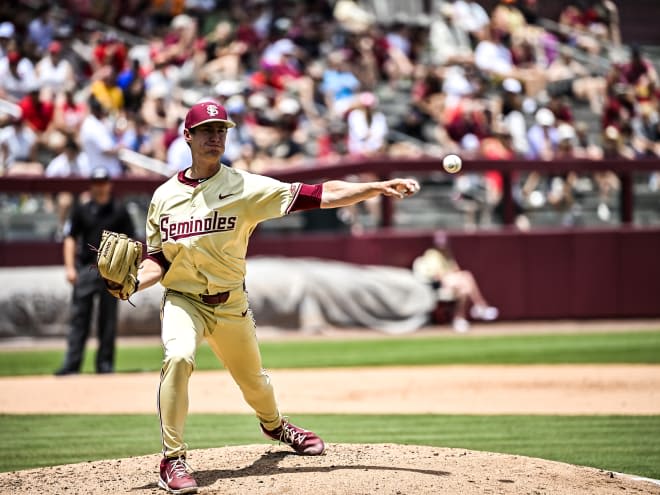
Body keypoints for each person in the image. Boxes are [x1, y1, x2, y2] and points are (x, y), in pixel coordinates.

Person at [122, 100, 420, 494]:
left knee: (255, 383)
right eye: (207, 130)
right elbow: (158, 259)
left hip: (229, 305)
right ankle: (172, 459)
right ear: (188, 136)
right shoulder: (163, 197)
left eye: (222, 130)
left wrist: (374, 187)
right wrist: (128, 283)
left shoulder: (245, 186)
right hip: (183, 299)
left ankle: (276, 425)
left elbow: (321, 194)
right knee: (178, 357)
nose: (216, 137)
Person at [54, 167, 136, 376]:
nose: (100, 187)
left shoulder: (119, 210)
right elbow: (70, 237)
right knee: (79, 317)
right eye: (96, 182)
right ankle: (72, 364)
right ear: (92, 185)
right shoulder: (81, 210)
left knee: (108, 320)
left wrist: (126, 273)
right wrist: (70, 267)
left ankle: (105, 365)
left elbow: (132, 242)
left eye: (103, 182)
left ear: (109, 184)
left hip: (111, 273)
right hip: (86, 268)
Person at [412, 232, 499, 333]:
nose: (442, 246)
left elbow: (456, 269)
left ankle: (460, 319)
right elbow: (438, 275)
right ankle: (479, 306)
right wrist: (452, 278)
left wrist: (455, 276)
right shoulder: (432, 254)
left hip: (452, 282)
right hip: (438, 285)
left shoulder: (448, 254)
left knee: (465, 288)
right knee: (466, 277)